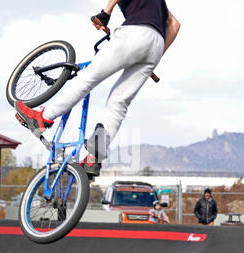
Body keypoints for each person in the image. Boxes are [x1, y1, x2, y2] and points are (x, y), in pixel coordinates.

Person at [15, 0, 181, 178]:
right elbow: (174, 24)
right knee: (119, 102)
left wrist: (105, 13)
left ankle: (43, 118)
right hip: (155, 45)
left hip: (134, 32)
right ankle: (94, 158)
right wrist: (153, 54)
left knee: (87, 78)